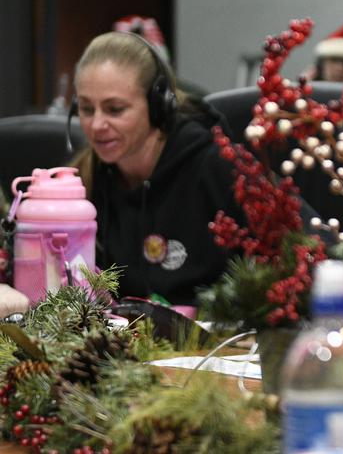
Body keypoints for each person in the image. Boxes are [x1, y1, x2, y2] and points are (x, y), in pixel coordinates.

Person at [71, 32, 249, 307]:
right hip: (124, 344)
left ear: (158, 105)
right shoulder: (82, 180)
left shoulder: (220, 165)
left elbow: (306, 247)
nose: (96, 125)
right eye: (85, 108)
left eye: (114, 109)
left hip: (222, 343)